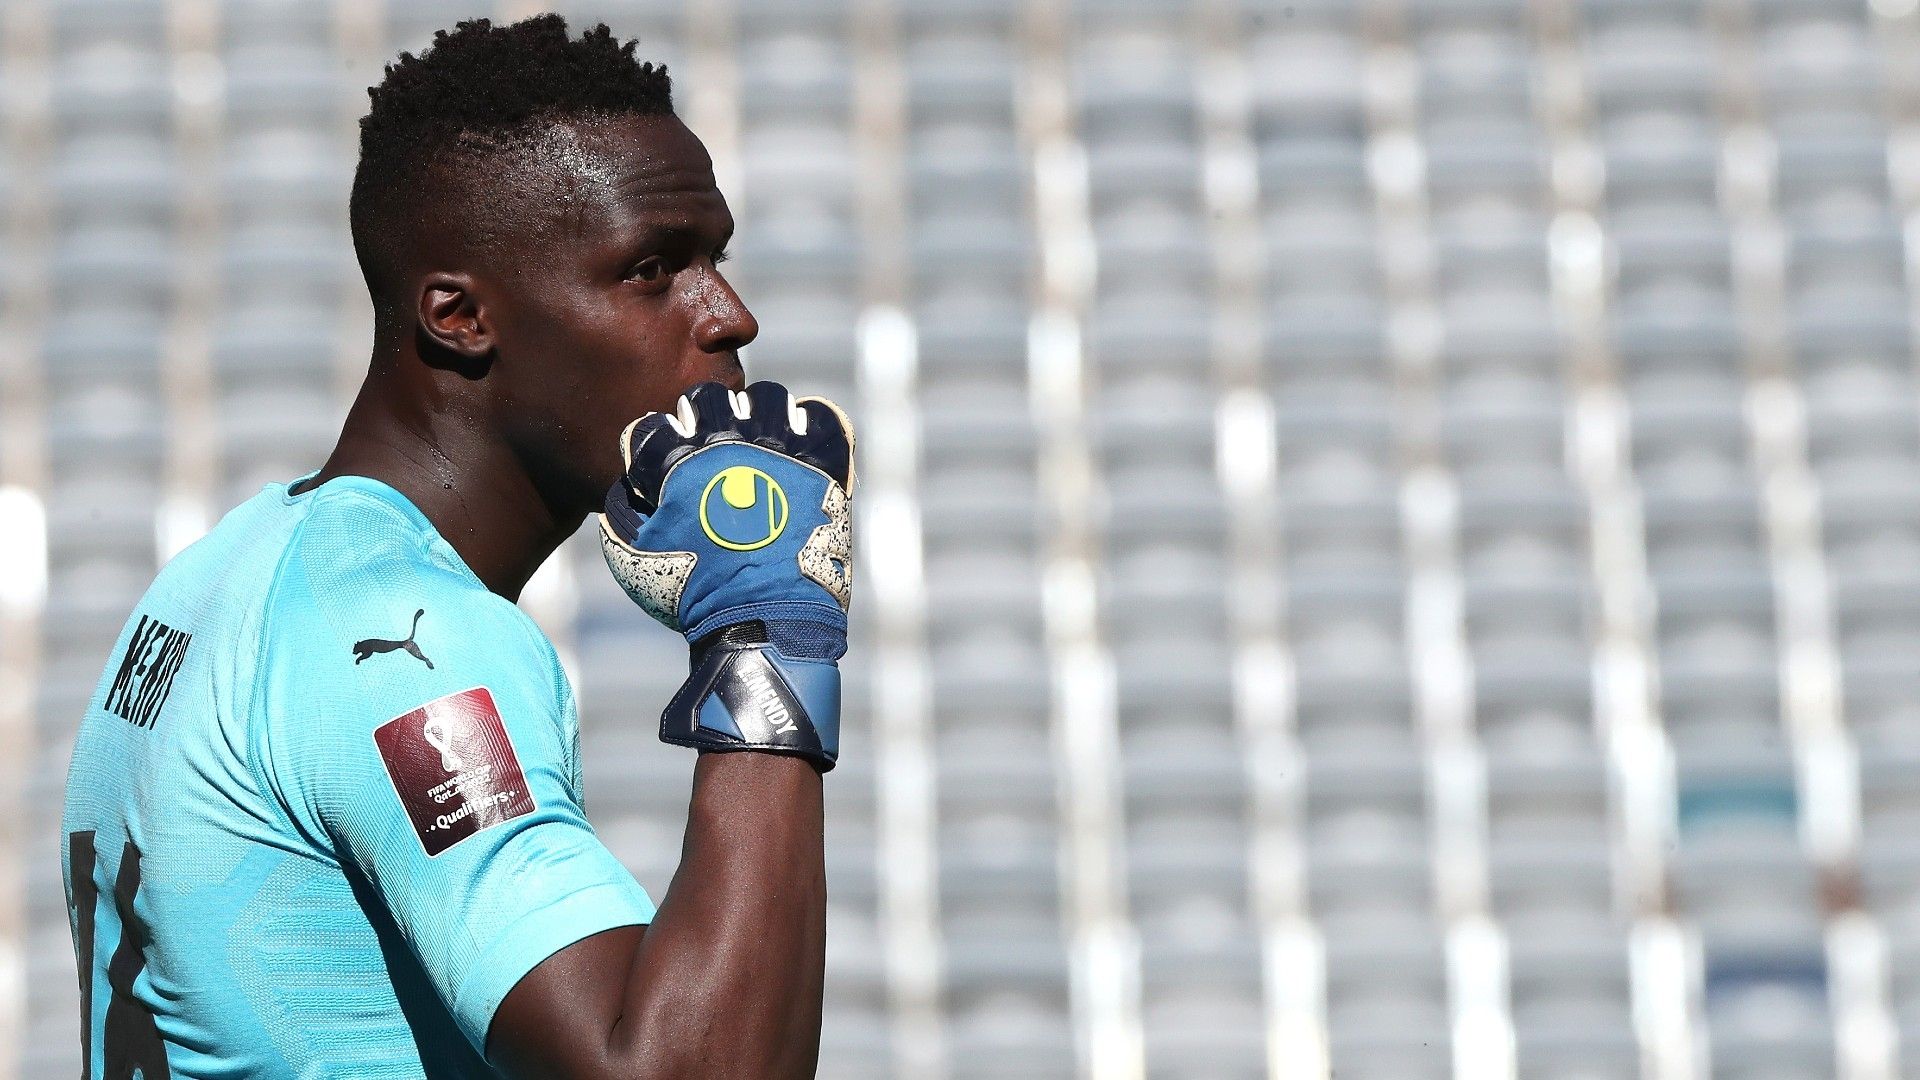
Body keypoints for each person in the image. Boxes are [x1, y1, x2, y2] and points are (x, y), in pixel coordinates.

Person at [59, 15, 853, 1078]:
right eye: (653, 269)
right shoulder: (405, 640)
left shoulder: (226, 571)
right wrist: (764, 644)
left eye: (716, 258)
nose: (731, 317)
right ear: (458, 317)